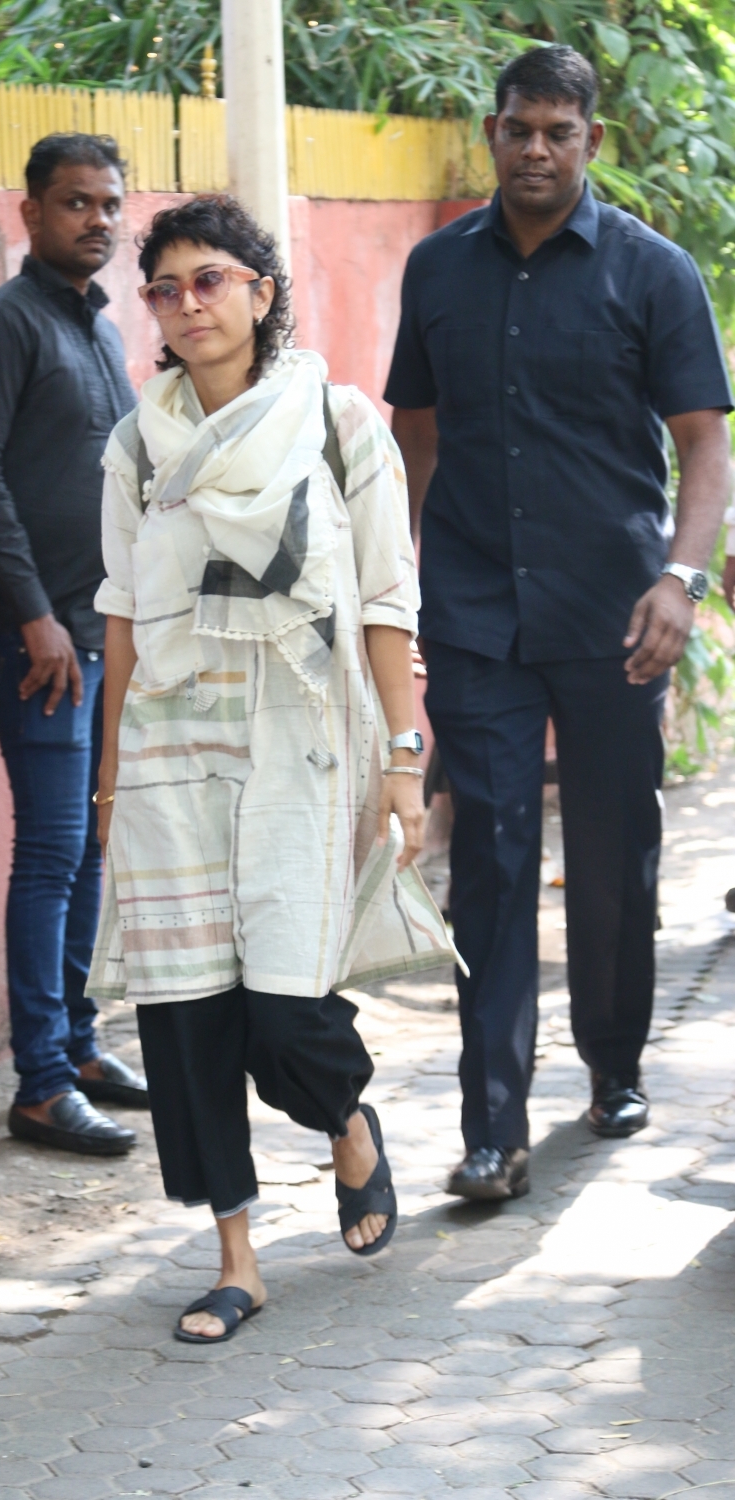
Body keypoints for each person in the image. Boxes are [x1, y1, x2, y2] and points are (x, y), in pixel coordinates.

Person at [87, 194, 459, 1342]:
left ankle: (347, 1126)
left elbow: (388, 601)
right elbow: (118, 617)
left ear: (260, 289)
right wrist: (106, 781)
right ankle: (235, 1256)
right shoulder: (137, 445)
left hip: (304, 741)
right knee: (187, 1011)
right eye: (166, 286)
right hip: (171, 751)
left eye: (211, 278)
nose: (188, 302)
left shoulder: (337, 423)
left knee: (287, 1013)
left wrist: (403, 755)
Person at [387, 46, 733, 1202]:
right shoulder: (436, 272)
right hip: (478, 613)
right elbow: (415, 434)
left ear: (590, 141)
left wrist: (681, 578)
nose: (537, 149)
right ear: (491, 133)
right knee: (485, 861)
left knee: (613, 853)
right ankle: (493, 1129)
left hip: (614, 613)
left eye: (559, 132)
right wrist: (407, 580)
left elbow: (702, 444)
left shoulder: (652, 273)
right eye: (519, 129)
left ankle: (614, 1060)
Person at [0, 133, 147, 1158]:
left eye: (109, 203)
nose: (96, 221)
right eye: (75, 203)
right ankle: (38, 1083)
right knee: (53, 850)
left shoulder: (100, 332)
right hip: (43, 643)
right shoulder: (0, 326)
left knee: (95, 847)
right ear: (28, 212)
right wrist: (33, 616)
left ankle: (78, 1042)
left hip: (106, 632)